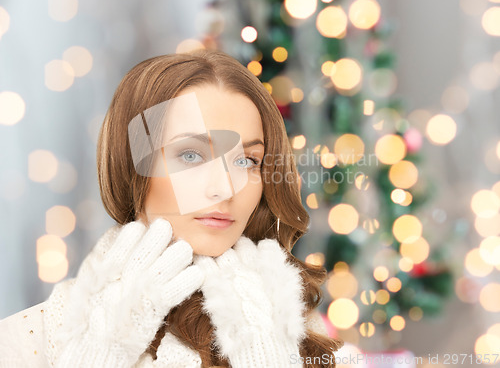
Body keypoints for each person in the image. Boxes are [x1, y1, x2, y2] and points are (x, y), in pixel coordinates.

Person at [0, 49, 344, 367]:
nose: (225, 188)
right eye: (191, 155)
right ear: (131, 165)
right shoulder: (28, 339)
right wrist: (100, 354)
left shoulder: (297, 336)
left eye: (246, 160)